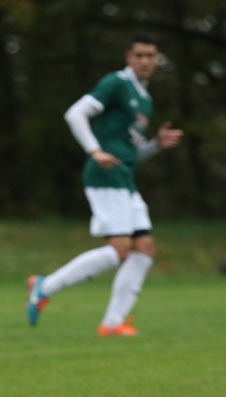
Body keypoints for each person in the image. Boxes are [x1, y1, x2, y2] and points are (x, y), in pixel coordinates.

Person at [27, 33, 182, 336]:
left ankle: (112, 324)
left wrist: (156, 145)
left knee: (144, 248)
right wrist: (94, 150)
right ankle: (46, 286)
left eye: (151, 55)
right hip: (105, 176)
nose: (145, 60)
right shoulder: (116, 83)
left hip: (124, 178)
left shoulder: (144, 98)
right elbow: (75, 113)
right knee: (120, 249)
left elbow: (130, 153)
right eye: (139, 55)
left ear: (157, 58)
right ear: (128, 57)